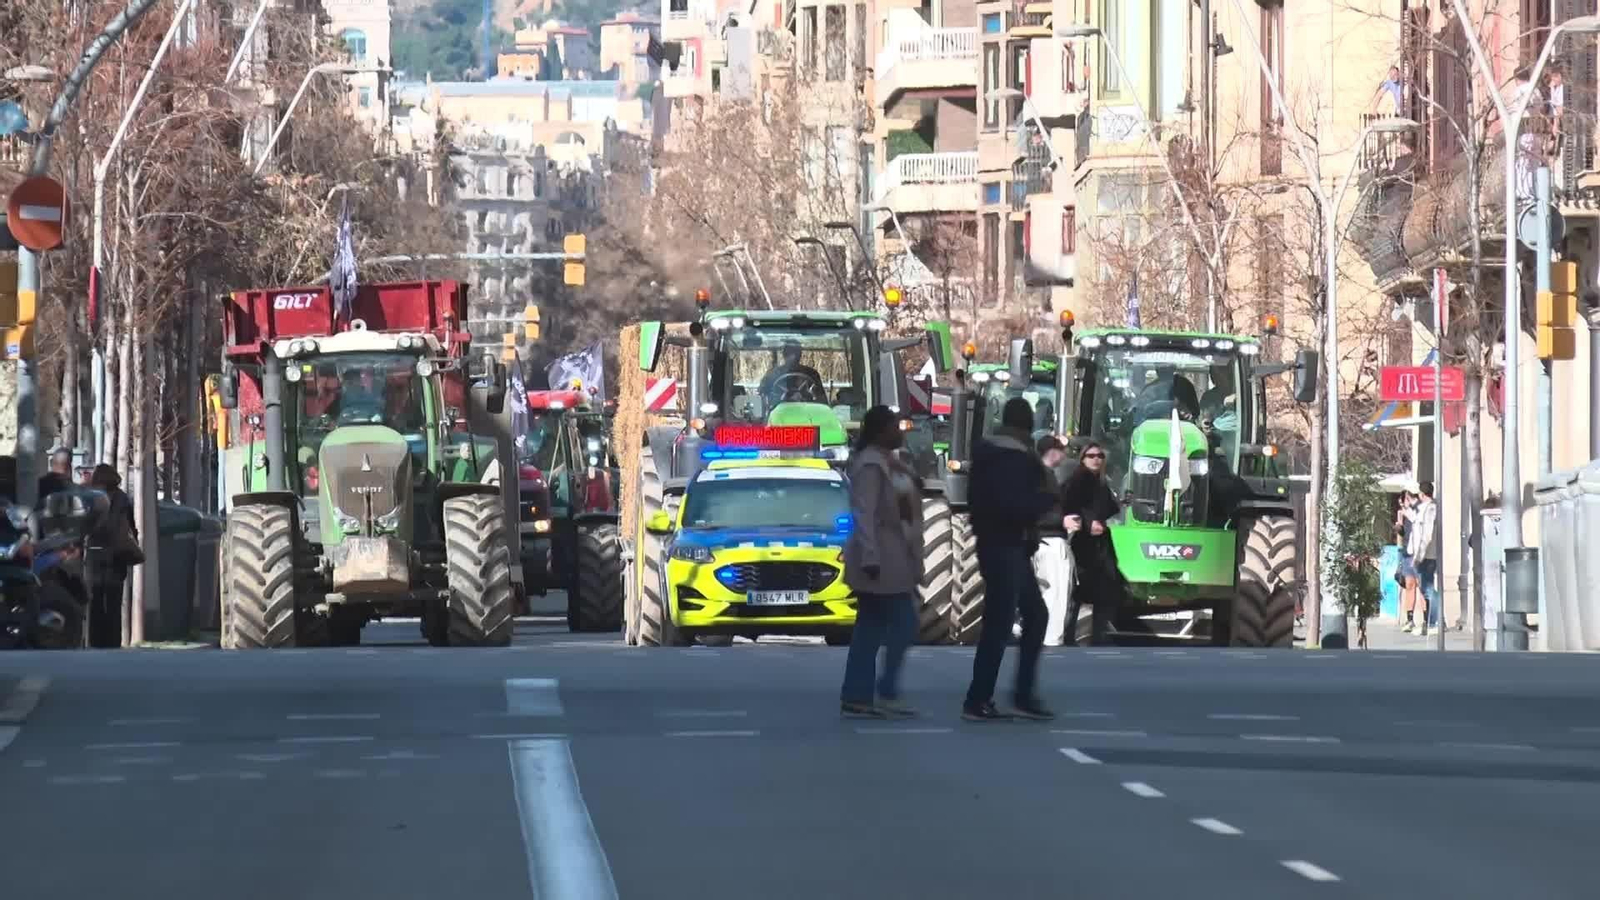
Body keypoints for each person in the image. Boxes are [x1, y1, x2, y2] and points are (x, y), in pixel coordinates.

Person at [962, 397, 1058, 722]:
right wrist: (1047, 500)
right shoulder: (1013, 458)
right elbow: (1014, 505)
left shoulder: (990, 452)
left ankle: (1006, 695)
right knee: (1005, 621)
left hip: (999, 543)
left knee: (1022, 617)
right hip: (1007, 544)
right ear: (1027, 426)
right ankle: (983, 698)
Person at [840, 405, 923, 718]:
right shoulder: (871, 466)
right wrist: (871, 557)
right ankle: (882, 690)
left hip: (892, 557)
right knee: (903, 622)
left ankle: (858, 694)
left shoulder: (890, 463)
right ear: (879, 431)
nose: (900, 431)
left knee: (871, 628)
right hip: (880, 560)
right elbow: (865, 514)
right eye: (893, 426)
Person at [1060, 441, 1124, 646]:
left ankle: (1097, 634)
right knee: (1079, 591)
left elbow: (1107, 508)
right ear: (1083, 459)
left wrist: (1120, 504)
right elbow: (1068, 504)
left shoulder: (1101, 481)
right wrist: (1088, 523)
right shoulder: (1079, 479)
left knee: (1102, 591)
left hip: (1099, 544)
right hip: (1084, 543)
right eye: (1092, 456)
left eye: (1100, 456)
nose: (1096, 459)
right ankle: (1073, 634)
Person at [1032, 435, 1082, 647]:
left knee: (1041, 591)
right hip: (1051, 543)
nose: (1064, 455)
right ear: (1052, 452)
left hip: (1034, 542)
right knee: (1057, 594)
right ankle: (1052, 640)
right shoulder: (1043, 478)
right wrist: (1063, 521)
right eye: (1061, 450)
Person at [86, 464, 140, 649]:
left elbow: (86, 524)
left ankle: (96, 641)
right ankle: (113, 642)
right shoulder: (122, 498)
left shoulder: (91, 497)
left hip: (95, 553)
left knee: (95, 601)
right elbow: (130, 527)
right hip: (117, 555)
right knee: (115, 602)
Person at [1407, 481, 1439, 635]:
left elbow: (1426, 535)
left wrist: (1418, 556)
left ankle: (1435, 622)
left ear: (1422, 493)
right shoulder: (1422, 509)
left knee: (1428, 589)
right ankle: (1431, 622)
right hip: (1422, 555)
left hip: (1427, 556)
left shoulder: (1431, 508)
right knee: (1426, 589)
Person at [758, 341, 825, 407]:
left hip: (807, 413)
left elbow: (821, 399)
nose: (793, 357)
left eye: (796, 353)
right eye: (790, 353)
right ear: (784, 354)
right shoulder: (772, 374)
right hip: (779, 412)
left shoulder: (811, 374)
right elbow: (761, 393)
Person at [1395, 488, 1422, 633]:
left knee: (1422, 586)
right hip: (1406, 552)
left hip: (1419, 553)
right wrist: (1399, 524)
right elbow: (1402, 533)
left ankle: (1426, 619)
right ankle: (1409, 619)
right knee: (1409, 584)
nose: (1402, 506)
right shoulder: (1404, 514)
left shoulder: (1420, 510)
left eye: (1403, 502)